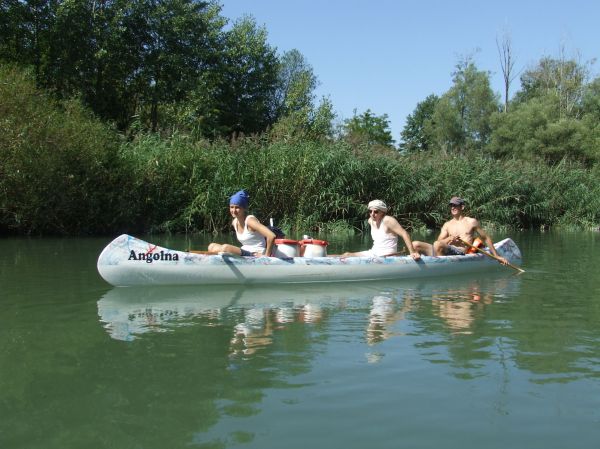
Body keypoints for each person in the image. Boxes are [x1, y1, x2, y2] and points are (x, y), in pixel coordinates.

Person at [412, 196, 508, 265]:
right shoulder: (447, 224)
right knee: (415, 244)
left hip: (461, 252)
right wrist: (450, 238)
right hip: (444, 252)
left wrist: (496, 256)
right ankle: (418, 264)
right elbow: (438, 242)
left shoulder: (471, 222)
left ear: (462, 207)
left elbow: (486, 238)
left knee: (438, 245)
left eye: (455, 205)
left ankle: (439, 267)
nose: (453, 207)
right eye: (451, 206)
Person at [342, 200, 421, 260]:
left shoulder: (388, 220)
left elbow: (404, 234)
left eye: (376, 211)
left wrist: (412, 252)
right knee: (347, 255)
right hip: (373, 253)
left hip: (387, 256)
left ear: (382, 213)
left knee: (348, 256)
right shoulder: (370, 221)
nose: (372, 214)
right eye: (370, 211)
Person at [208, 190, 276, 257]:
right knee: (211, 246)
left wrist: (267, 256)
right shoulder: (234, 222)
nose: (234, 211)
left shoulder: (250, 221)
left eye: (237, 207)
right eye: (231, 207)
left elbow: (271, 236)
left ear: (244, 209)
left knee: (225, 248)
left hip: (257, 254)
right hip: (245, 252)